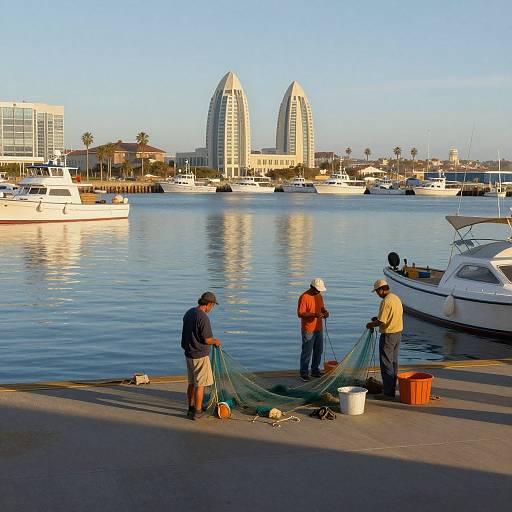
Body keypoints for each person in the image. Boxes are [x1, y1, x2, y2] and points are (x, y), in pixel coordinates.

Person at [181, 291, 221, 420]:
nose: (212, 308)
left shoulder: (189, 312)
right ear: (209, 304)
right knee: (200, 384)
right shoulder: (203, 317)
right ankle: (198, 412)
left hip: (189, 354)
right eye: (213, 306)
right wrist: (216, 341)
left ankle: (191, 408)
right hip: (200, 356)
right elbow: (207, 339)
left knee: (191, 382)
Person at [366, 279, 403, 400]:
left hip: (388, 335)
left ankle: (388, 393)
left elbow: (382, 321)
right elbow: (393, 315)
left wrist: (371, 324)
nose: (377, 294)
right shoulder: (395, 298)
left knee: (386, 363)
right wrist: (377, 318)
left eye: (377, 291)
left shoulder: (386, 301)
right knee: (393, 362)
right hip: (398, 333)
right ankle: (391, 388)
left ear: (381, 289)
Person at [297, 278, 329, 381]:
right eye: (317, 290)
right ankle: (304, 373)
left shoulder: (319, 295)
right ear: (311, 287)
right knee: (307, 352)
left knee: (318, 351)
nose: (318, 292)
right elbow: (300, 314)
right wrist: (314, 314)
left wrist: (325, 312)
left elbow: (322, 308)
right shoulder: (304, 297)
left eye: (319, 290)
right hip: (308, 329)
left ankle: (315, 370)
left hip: (318, 328)